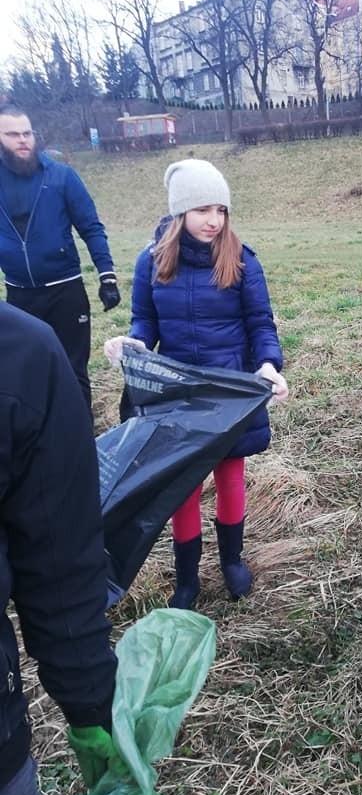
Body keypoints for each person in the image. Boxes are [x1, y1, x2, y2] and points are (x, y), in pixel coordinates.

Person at [104, 158, 287, 608]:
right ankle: (186, 579)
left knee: (229, 476)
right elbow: (145, 322)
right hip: (178, 394)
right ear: (181, 211)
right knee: (181, 486)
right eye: (203, 209)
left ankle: (232, 561)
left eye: (221, 210)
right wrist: (134, 344)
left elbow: (261, 323)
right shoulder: (152, 262)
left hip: (230, 392)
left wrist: (267, 364)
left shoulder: (241, 259)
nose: (214, 220)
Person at [0, 302, 118, 795]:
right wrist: (91, 702)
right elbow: (57, 558)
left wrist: (88, 696)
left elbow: (55, 557)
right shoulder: (19, 352)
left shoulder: (19, 356)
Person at [0, 103, 121, 412]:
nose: (23, 140)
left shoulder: (61, 177)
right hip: (20, 296)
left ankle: (83, 443)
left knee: (72, 369)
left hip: (65, 291)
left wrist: (107, 276)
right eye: (13, 134)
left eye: (27, 132)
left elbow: (91, 227)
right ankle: (40, 442)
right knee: (26, 373)